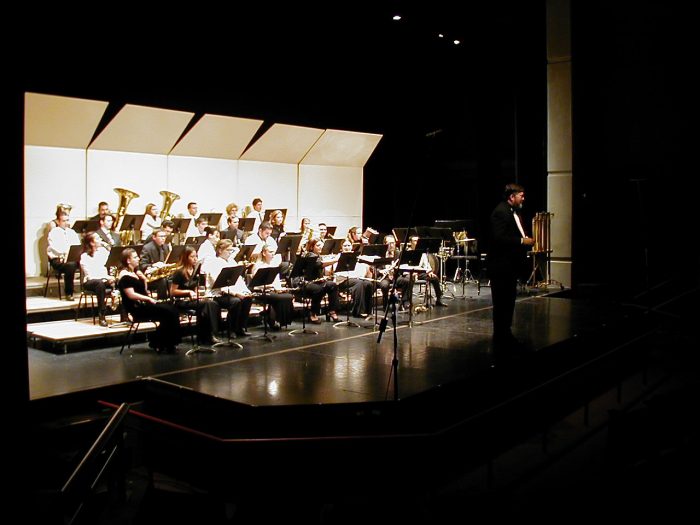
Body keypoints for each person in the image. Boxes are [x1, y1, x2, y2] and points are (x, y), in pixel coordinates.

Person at [488, 183, 534, 347]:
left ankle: (505, 334)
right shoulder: (500, 212)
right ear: (512, 196)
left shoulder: (513, 212)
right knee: (501, 303)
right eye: (521, 195)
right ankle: (500, 336)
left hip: (510, 267)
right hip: (501, 267)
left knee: (508, 302)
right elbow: (499, 238)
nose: (523, 198)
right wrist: (522, 241)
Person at [117, 247, 181, 353]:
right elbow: (131, 295)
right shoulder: (124, 275)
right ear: (128, 260)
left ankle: (163, 342)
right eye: (135, 257)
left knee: (172, 310)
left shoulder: (135, 273)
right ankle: (161, 342)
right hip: (137, 308)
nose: (138, 259)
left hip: (144, 305)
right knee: (168, 312)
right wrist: (148, 299)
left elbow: (144, 290)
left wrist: (144, 279)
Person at [170, 246, 223, 345]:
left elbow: (195, 287)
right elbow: (173, 291)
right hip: (181, 301)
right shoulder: (179, 272)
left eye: (196, 256)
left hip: (192, 300)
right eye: (192, 257)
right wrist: (188, 292)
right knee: (208, 305)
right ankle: (209, 335)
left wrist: (198, 293)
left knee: (213, 304)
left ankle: (206, 335)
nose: (195, 259)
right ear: (186, 258)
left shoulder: (195, 270)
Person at [201, 239, 253, 337]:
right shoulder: (213, 263)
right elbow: (220, 285)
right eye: (228, 250)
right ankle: (231, 329)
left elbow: (238, 280)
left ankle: (240, 327)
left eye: (231, 250)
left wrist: (245, 291)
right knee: (235, 301)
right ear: (220, 250)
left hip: (231, 292)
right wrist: (236, 294)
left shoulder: (231, 261)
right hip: (217, 294)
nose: (230, 253)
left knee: (247, 299)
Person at [250, 243, 294, 329]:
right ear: (264, 253)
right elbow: (257, 284)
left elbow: (276, 281)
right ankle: (274, 319)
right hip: (261, 291)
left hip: (273, 290)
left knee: (288, 296)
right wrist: (273, 288)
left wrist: (280, 289)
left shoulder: (274, 265)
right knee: (282, 297)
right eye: (270, 252)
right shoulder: (258, 266)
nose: (273, 254)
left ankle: (277, 318)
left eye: (274, 252)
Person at [79, 232, 115, 326]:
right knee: (100, 284)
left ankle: (125, 315)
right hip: (91, 281)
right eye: (98, 239)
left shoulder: (103, 252)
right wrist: (106, 278)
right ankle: (101, 315)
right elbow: (91, 274)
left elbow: (111, 262)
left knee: (122, 280)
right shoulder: (84, 256)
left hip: (104, 279)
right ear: (92, 243)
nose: (100, 240)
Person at [302, 238, 340, 323]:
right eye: (318, 245)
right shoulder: (310, 255)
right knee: (318, 289)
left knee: (333, 285)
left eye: (321, 245)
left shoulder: (318, 255)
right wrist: (335, 260)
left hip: (318, 282)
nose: (320, 247)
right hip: (308, 283)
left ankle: (332, 310)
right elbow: (319, 264)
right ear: (311, 247)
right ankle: (313, 313)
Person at [333, 239, 373, 318]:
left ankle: (367, 310)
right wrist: (355, 276)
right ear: (341, 247)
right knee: (359, 283)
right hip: (342, 281)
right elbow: (337, 272)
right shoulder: (338, 257)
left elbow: (361, 271)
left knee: (368, 283)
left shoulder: (355, 256)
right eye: (345, 246)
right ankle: (358, 311)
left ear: (352, 246)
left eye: (349, 245)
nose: (347, 247)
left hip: (354, 279)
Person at [46, 211, 80, 300]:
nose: (66, 223)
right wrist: (65, 254)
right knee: (70, 265)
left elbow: (76, 246)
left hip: (71, 258)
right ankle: (69, 293)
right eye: (64, 221)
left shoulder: (72, 232)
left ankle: (87, 288)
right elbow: (55, 248)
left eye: (67, 220)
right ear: (58, 222)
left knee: (84, 261)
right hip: (58, 259)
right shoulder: (53, 232)